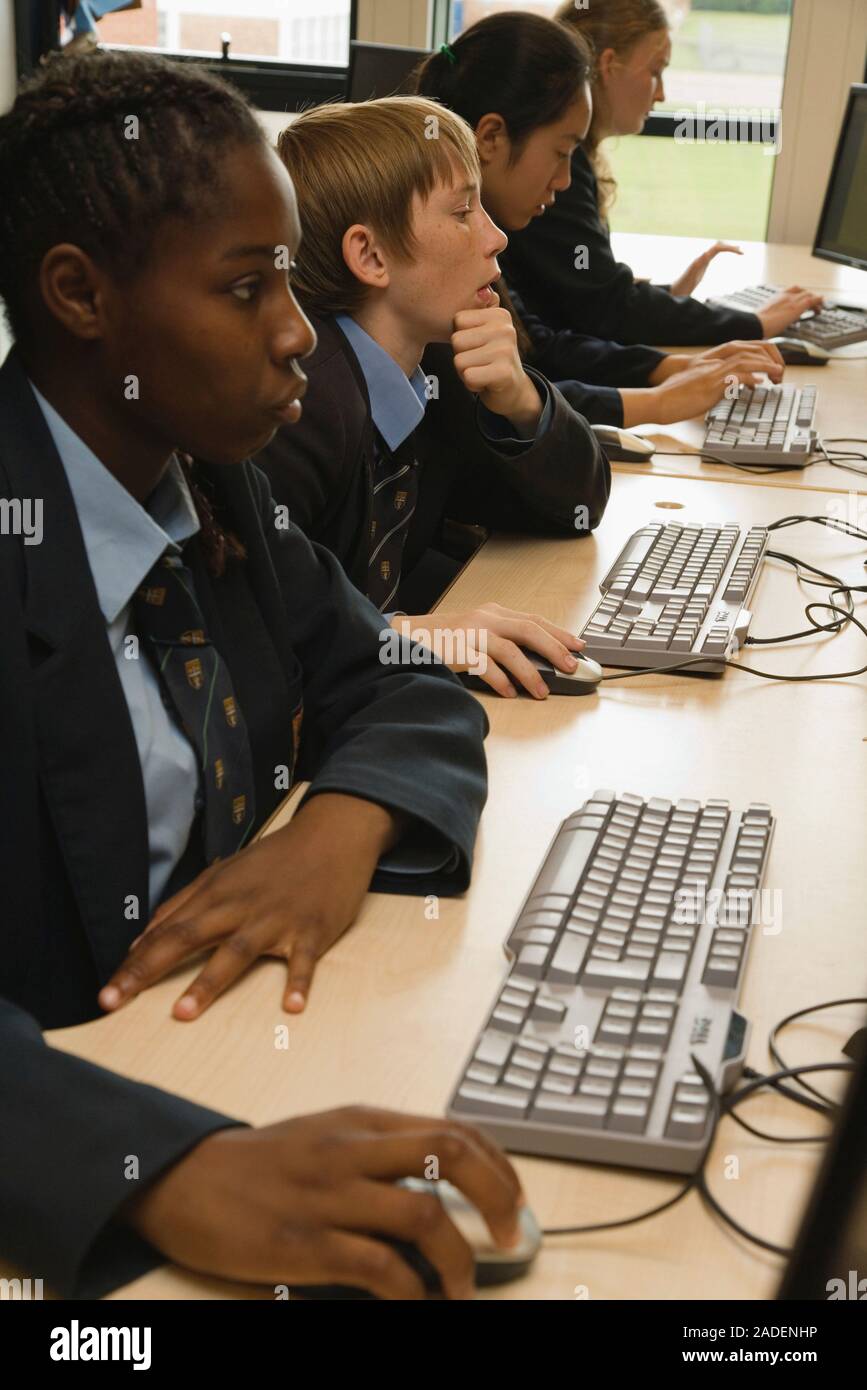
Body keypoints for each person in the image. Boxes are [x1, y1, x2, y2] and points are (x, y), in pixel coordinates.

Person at [0, 48, 522, 1300]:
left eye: (286, 277)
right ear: (80, 296)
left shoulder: (207, 476)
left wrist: (332, 833)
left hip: (237, 1057)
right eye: (246, 290)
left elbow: (405, 685)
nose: (298, 333)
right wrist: (160, 1169)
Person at [256, 95, 610, 700]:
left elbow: (574, 509)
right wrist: (412, 635)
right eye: (464, 210)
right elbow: (257, 627)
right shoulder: (296, 407)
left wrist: (521, 401)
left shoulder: (434, 366)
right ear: (370, 256)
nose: (496, 238)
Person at [415, 12, 787, 433]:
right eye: (561, 153)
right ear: (491, 138)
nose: (566, 180)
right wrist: (659, 401)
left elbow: (536, 348)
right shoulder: (432, 267)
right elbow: (496, 398)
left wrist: (671, 368)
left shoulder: (477, 238)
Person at [503, 0, 824, 347]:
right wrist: (755, 324)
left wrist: (669, 296)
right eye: (655, 70)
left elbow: (583, 294)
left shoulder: (571, 161)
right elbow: (606, 310)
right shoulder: (558, 171)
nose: (661, 93)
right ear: (608, 65)